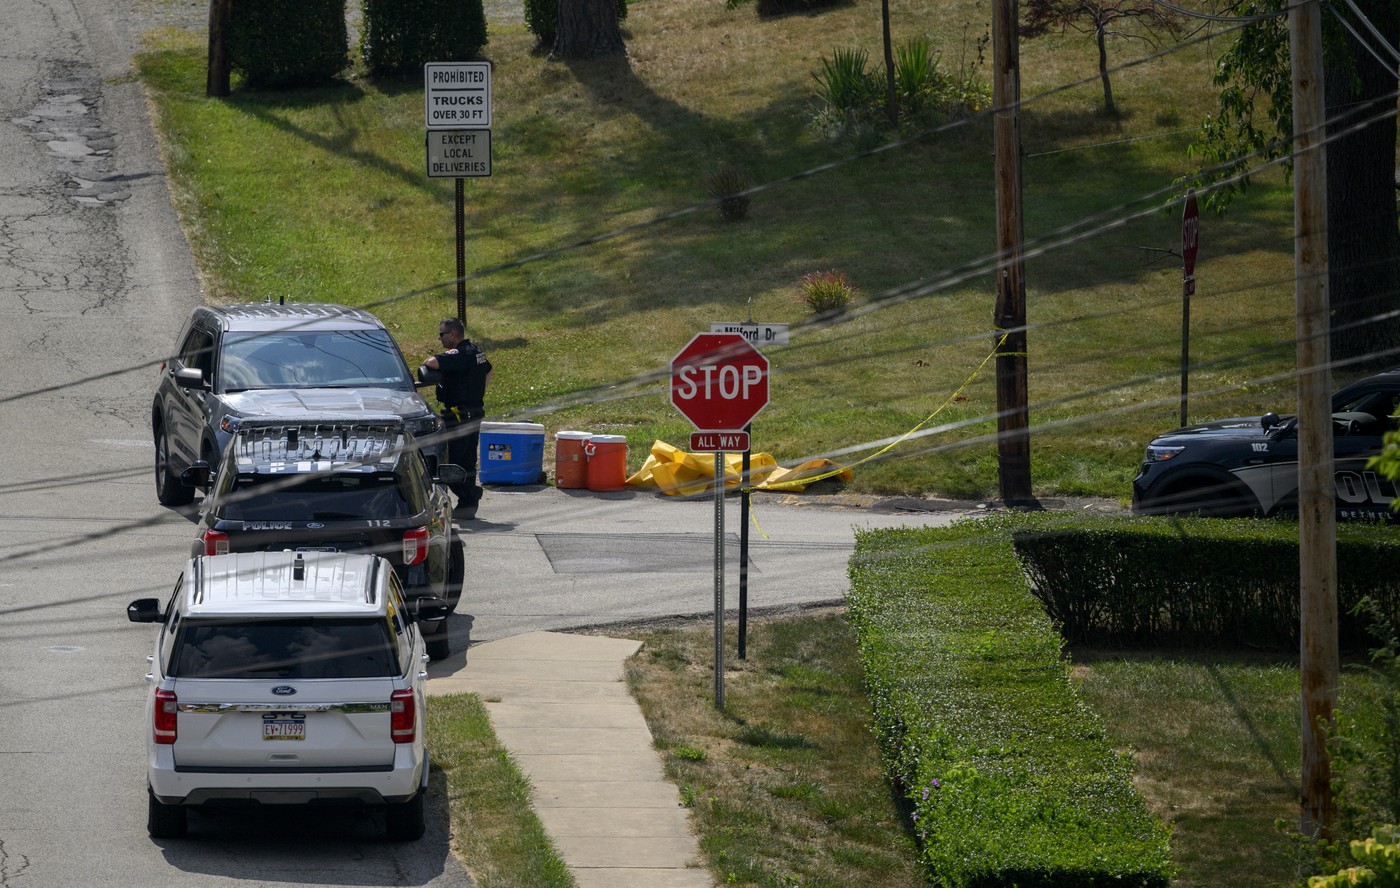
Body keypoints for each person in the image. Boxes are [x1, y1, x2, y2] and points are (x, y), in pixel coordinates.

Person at [422, 318, 492, 519]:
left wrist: (427, 364)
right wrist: (476, 393)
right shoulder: (475, 351)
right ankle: (467, 504)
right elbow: (489, 370)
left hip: (459, 417)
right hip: (474, 412)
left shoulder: (458, 354)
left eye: (442, 334)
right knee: (467, 460)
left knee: (450, 462)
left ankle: (470, 495)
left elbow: (431, 363)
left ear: (452, 334)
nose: (439, 338)